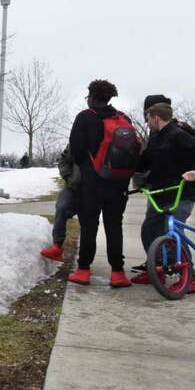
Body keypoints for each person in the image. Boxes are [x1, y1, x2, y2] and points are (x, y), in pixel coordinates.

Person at [66, 79, 140, 288]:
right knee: (114, 226)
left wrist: (88, 168)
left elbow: (76, 150)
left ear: (91, 95)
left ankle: (83, 270)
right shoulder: (123, 118)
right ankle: (117, 273)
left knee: (89, 226)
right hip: (118, 184)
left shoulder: (84, 117)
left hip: (92, 182)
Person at [129, 100, 195, 291]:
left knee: (172, 232)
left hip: (182, 192)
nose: (146, 122)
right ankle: (156, 270)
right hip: (161, 192)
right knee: (149, 230)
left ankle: (189, 277)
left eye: (148, 119)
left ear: (156, 118)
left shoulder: (178, 134)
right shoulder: (156, 137)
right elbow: (146, 160)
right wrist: (125, 170)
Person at [40, 146, 80, 261]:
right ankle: (57, 246)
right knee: (61, 208)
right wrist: (68, 177)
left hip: (93, 189)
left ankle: (85, 261)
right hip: (73, 186)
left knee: (88, 223)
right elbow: (63, 160)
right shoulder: (77, 139)